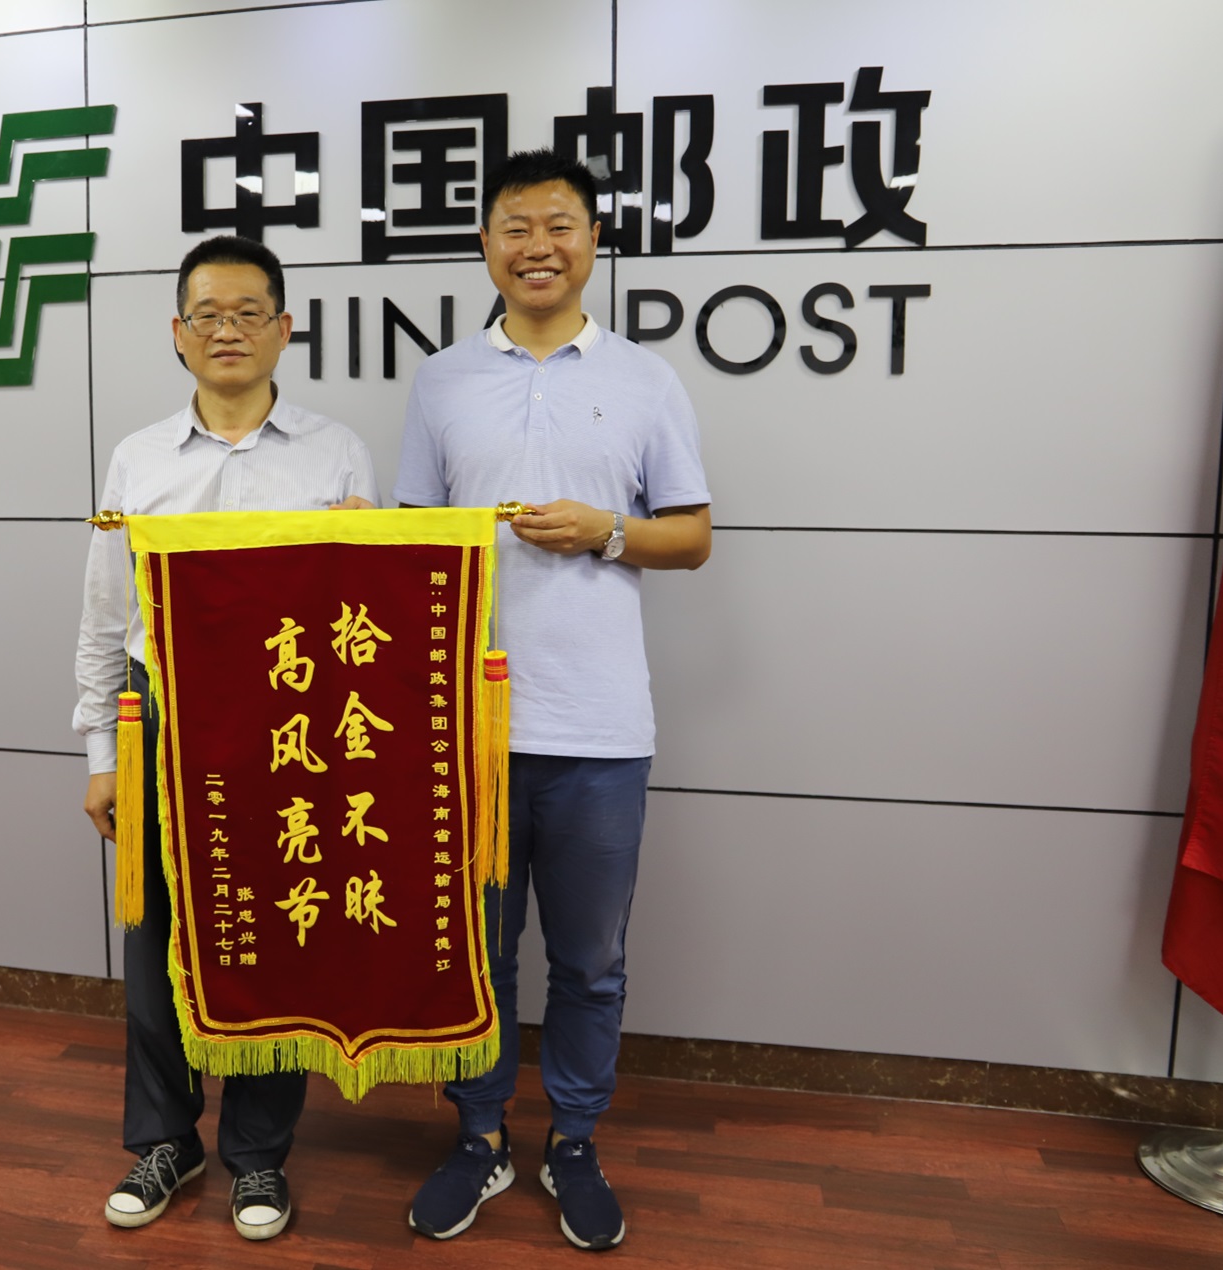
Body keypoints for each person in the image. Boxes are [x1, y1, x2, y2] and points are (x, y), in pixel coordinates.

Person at [394, 150, 711, 1252]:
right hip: (465, 731)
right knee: (475, 957)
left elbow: (693, 537)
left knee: (589, 961)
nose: (538, 246)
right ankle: (478, 1135)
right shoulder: (439, 381)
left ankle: (573, 1140)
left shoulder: (645, 379)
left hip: (599, 726)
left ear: (592, 241)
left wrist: (606, 531)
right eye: (516, 227)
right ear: (485, 246)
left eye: (559, 224)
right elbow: (410, 542)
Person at [74, 234, 377, 1242]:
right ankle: (167, 1140)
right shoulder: (137, 459)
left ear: (285, 330)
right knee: (157, 938)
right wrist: (102, 756)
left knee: (279, 936)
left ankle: (258, 1155)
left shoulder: (336, 453)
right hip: (165, 717)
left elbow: (360, 620)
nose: (227, 330)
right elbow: (105, 621)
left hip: (288, 726)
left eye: (249, 313)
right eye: (207, 314)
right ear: (177, 333)